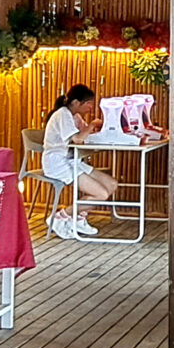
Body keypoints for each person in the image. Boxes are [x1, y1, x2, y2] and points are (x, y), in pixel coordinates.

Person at [40, 84, 119, 240]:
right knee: (101, 194)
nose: (90, 107)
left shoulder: (74, 116)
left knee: (111, 185)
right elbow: (77, 139)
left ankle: (78, 219)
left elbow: (84, 136)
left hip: (72, 160)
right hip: (58, 163)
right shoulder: (62, 114)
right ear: (76, 102)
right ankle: (60, 217)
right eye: (88, 103)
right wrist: (92, 125)